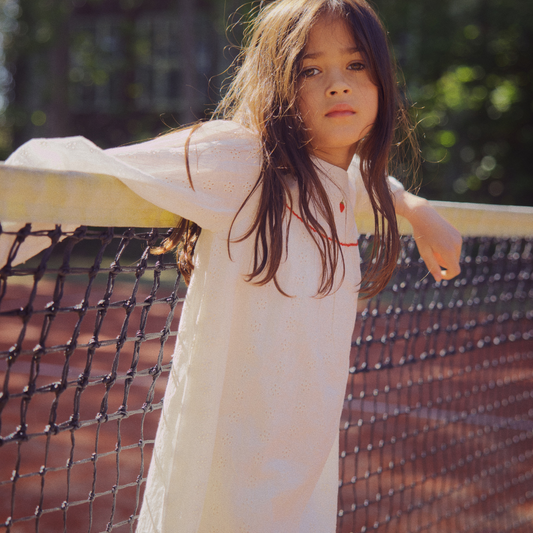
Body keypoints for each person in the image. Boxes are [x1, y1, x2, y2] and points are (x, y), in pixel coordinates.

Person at [2, 0, 462, 531]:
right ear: (278, 87)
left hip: (305, 478)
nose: (338, 85)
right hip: (228, 488)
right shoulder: (243, 160)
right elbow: (69, 170)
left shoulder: (336, 182)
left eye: (356, 65)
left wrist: (415, 208)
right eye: (310, 70)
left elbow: (363, 177)